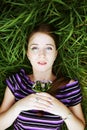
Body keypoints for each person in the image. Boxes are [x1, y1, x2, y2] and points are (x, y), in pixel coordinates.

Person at [0, 23, 85, 130]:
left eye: (48, 48)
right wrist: (19, 106)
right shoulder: (17, 82)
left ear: (55, 53)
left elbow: (79, 128)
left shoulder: (69, 87)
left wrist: (63, 111)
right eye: (35, 48)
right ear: (28, 53)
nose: (42, 55)